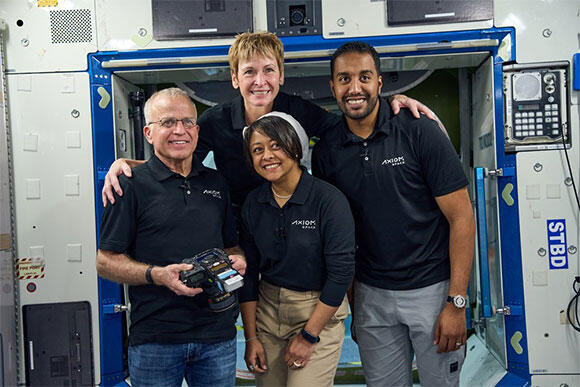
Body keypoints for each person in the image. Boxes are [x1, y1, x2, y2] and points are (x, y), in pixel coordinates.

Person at [101, 32, 434, 217]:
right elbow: (176, 162)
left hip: (294, 221)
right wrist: (128, 165)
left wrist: (391, 103)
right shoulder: (216, 120)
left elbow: (350, 125)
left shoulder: (299, 111)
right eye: (249, 72)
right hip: (241, 223)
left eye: (268, 71)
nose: (260, 81)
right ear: (234, 78)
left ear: (281, 75)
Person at [311, 42, 476, 386]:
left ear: (380, 83)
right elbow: (342, 237)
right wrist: (357, 308)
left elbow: (461, 217)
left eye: (364, 77)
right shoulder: (327, 150)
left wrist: (456, 302)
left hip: (433, 291)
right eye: (344, 78)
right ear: (332, 87)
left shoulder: (419, 130)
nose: (354, 88)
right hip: (372, 296)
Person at [96, 88, 246, 387]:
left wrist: (237, 259)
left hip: (216, 336)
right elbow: (105, 262)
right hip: (156, 339)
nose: (180, 130)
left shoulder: (216, 183)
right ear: (149, 133)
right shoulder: (130, 185)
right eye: (168, 122)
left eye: (187, 122)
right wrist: (157, 275)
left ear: (197, 130)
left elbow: (230, 244)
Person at [238, 112, 355, 387]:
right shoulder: (254, 203)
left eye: (276, 145)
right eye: (258, 150)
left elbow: (341, 274)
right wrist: (251, 338)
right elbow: (249, 273)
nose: (267, 155)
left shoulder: (328, 200)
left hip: (317, 313)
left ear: (296, 147)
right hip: (267, 314)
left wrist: (309, 336)